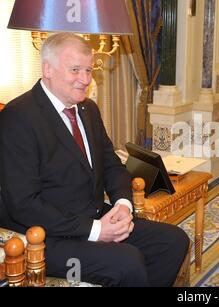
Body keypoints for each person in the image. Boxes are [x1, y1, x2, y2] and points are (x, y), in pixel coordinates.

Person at [0, 33, 190, 286]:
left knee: (174, 241)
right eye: (75, 70)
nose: (85, 79)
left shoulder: (88, 109)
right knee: (128, 262)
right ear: (48, 69)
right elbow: (23, 203)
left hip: (96, 215)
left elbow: (111, 164)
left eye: (88, 70)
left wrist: (123, 204)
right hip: (46, 236)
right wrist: (96, 231)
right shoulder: (18, 117)